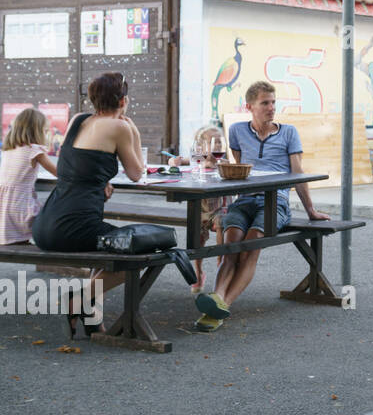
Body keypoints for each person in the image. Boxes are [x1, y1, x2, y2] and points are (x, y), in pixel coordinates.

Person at [194, 81, 329, 332]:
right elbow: (237, 166)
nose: (271, 108)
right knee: (231, 245)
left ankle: (222, 303)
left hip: (275, 200)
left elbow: (297, 173)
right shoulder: (236, 130)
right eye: (265, 103)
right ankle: (216, 297)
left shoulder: (288, 132)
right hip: (245, 199)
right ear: (250, 106)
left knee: (251, 246)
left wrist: (310, 210)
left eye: (273, 103)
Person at [31, 72, 145, 337]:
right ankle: (80, 298)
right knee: (136, 253)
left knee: (108, 246)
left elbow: (71, 166)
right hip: (74, 227)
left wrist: (99, 180)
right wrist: (135, 131)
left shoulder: (77, 120)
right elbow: (137, 173)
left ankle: (94, 322)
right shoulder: (120, 127)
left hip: (45, 225)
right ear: (123, 101)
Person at [168, 124, 229, 293]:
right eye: (212, 142)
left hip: (220, 207)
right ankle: (199, 271)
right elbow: (175, 162)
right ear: (201, 146)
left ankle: (220, 263)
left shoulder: (223, 162)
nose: (217, 146)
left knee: (221, 223)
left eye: (219, 143)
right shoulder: (197, 162)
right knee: (198, 237)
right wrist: (174, 161)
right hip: (201, 209)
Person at [0, 108, 59, 245]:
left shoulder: (10, 149)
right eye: (45, 130)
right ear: (37, 131)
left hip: (4, 208)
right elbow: (59, 173)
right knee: (62, 215)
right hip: (20, 208)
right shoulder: (34, 150)